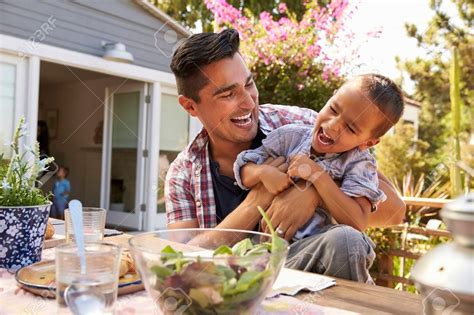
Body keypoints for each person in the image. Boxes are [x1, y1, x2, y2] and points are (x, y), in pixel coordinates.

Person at [165, 29, 405, 283]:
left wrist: (312, 192)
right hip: (235, 295)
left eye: (249, 84)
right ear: (190, 106)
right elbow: (184, 261)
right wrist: (254, 203)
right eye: (228, 94)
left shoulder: (302, 126)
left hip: (309, 282)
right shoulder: (183, 174)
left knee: (345, 241)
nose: (248, 103)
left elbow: (394, 212)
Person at [234, 74, 404, 240]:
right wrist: (262, 173)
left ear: (368, 143)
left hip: (317, 248)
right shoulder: (291, 136)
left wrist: (317, 177)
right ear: (332, 96)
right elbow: (244, 167)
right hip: (269, 244)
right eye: (333, 109)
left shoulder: (359, 164)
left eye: (350, 128)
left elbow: (357, 222)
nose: (333, 125)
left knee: (353, 243)